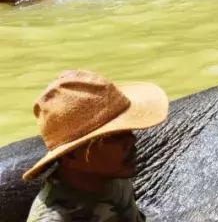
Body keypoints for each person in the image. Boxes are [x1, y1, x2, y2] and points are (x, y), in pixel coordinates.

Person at [22, 69, 170, 221]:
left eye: (128, 131)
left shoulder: (114, 178)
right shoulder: (54, 218)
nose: (131, 140)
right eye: (114, 136)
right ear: (71, 154)